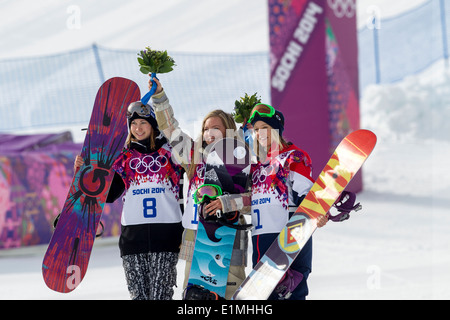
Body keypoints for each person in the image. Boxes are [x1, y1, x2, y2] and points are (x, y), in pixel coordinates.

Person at [148, 77, 249, 299]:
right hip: (196, 235)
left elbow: (252, 201)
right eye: (205, 128)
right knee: (194, 297)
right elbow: (169, 128)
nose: (208, 132)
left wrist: (227, 203)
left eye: (216, 128)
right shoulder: (193, 155)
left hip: (228, 235)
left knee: (231, 296)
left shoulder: (242, 159)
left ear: (229, 131)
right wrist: (159, 97)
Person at [74, 102, 184, 300]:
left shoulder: (171, 153)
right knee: (138, 298)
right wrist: (84, 171)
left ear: (153, 125)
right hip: (132, 238)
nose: (138, 128)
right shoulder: (124, 157)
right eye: (133, 124)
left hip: (166, 234)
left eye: (143, 123)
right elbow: (107, 195)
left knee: (161, 296)